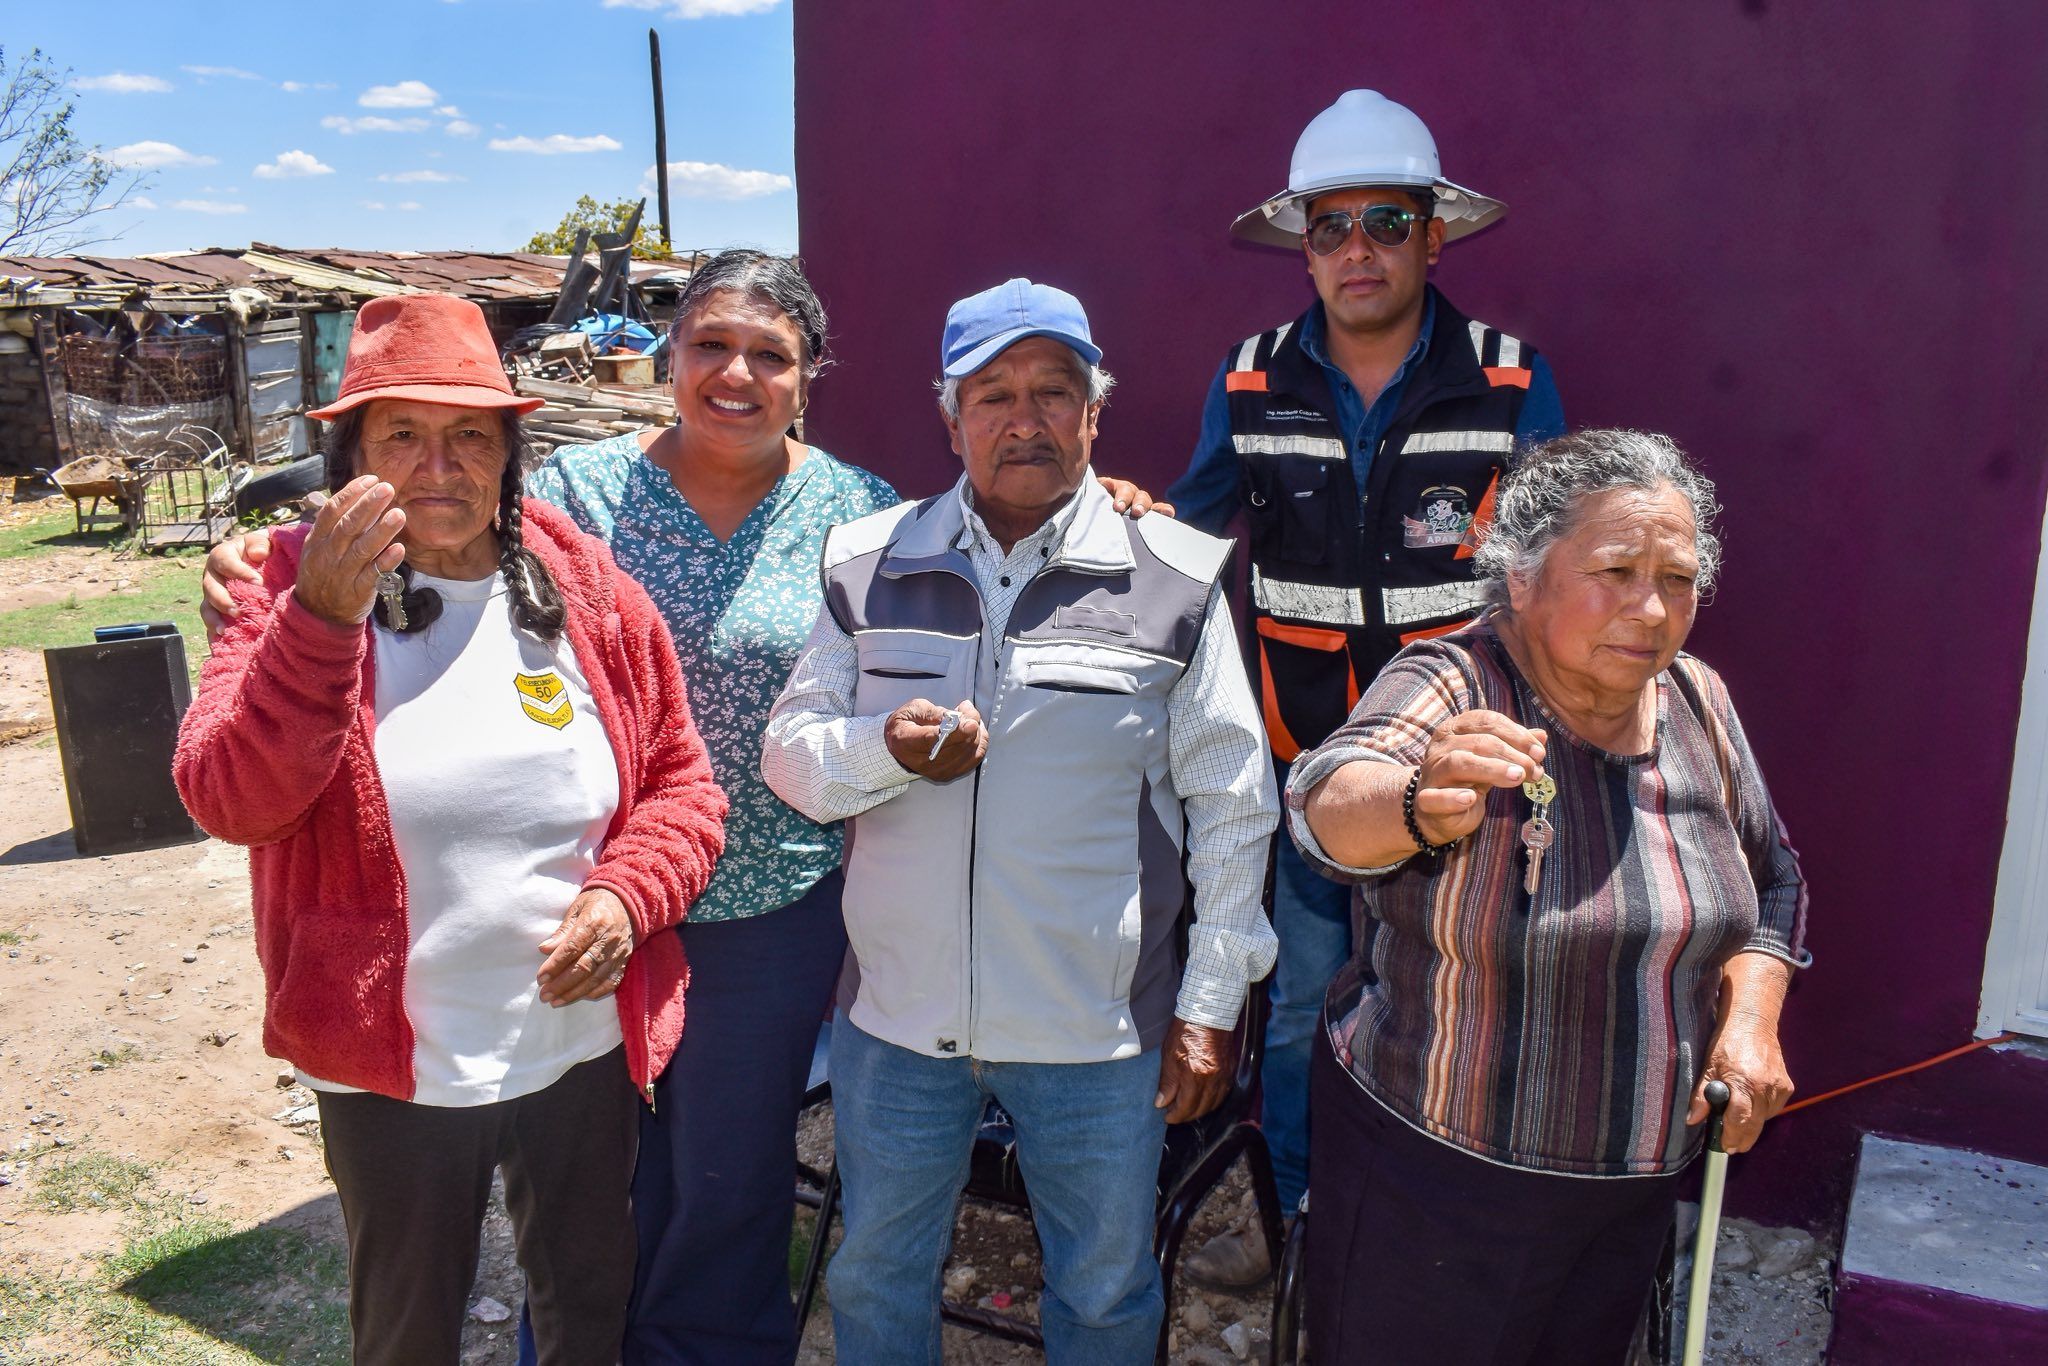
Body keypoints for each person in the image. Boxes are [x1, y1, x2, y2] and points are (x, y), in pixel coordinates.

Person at [199, 251, 1165, 1366]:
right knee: (591, 1196)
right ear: (671, 357)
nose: (736, 373)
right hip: (576, 904)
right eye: (710, 344)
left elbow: (988, 531)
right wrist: (270, 566)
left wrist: (1109, 504)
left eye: (771, 354)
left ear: (810, 378)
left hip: (766, 902)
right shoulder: (572, 501)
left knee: (728, 1176)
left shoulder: (857, 516)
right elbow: (433, 516)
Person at [173, 293, 728, 1366]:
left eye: (470, 433)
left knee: (584, 1306)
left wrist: (624, 894)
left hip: (575, 1046)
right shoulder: (284, 585)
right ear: (350, 453)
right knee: (407, 1328)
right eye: (403, 435)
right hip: (394, 1060)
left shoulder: (584, 587)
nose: (440, 465)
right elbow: (230, 798)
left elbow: (681, 784)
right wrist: (321, 623)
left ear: (510, 451)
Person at [760, 278, 1278, 1364]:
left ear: (1096, 411)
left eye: (1054, 390)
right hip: (897, 1020)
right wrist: (880, 753)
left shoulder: (1177, 577)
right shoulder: (866, 560)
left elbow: (1233, 804)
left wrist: (1209, 999)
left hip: (1096, 1030)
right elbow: (791, 756)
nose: (1024, 416)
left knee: (1101, 1289)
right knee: (876, 1272)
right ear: (948, 416)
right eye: (991, 392)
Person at [1286, 429, 1809, 1363]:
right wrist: (1416, 800)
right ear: (1520, 578)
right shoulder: (1453, 680)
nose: (1650, 608)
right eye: (1615, 569)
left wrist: (1752, 1019)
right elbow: (1328, 800)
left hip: (1630, 1183)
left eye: (1679, 579)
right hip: (1439, 1180)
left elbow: (1773, 878)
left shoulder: (1698, 702)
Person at [1167, 89, 1569, 1284]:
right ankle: (1296, 1222)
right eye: (1331, 226)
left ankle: (1427, 1239)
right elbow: (1185, 543)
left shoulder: (1507, 380)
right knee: (1292, 1013)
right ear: (1303, 244)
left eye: (1385, 223)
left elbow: (1549, 576)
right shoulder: (1248, 381)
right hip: (1299, 771)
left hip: (1452, 784)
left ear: (1432, 235)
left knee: (1452, 1011)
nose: (1358, 250)